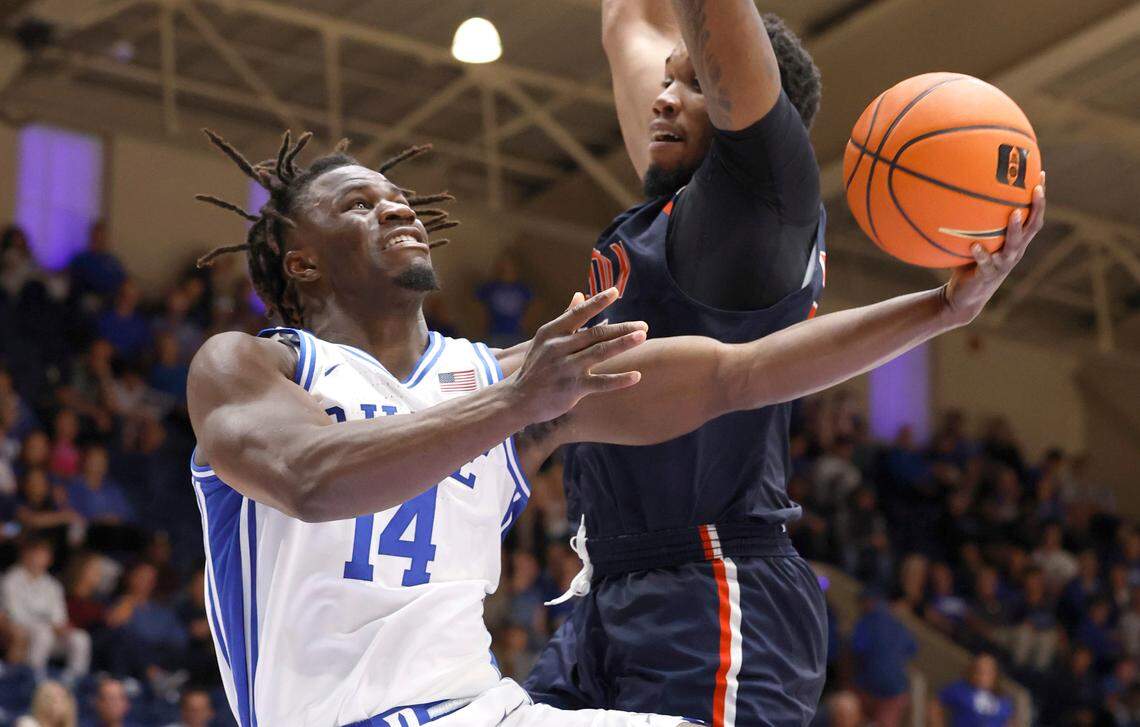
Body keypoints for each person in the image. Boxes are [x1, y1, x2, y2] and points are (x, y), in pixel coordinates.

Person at [185, 127, 1042, 725]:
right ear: (302, 262)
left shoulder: (509, 376)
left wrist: (942, 309)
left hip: (482, 710)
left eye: (398, 196)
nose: (396, 207)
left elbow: (740, 373)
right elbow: (309, 479)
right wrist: (517, 405)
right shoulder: (252, 366)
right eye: (359, 204)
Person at [526, 1, 830, 723]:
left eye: (694, 84)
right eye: (667, 80)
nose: (664, 98)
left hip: (714, 586)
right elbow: (629, 22)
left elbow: (720, 31)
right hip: (610, 588)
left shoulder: (760, 202)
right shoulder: (673, 214)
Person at [0, 538, 91, 685]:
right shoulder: (11, 579)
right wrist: (48, 625)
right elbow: (15, 615)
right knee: (43, 633)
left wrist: (60, 627)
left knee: (81, 638)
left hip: (52, 632)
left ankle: (73, 682)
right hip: (23, 631)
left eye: (43, 555)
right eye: (36, 554)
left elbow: (59, 617)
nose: (39, 559)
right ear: (25, 555)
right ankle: (33, 679)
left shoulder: (53, 585)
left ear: (49, 559)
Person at [849, 589, 917, 727]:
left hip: (874, 689)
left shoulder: (868, 620)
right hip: (894, 691)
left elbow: (855, 650)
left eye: (863, 602)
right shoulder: (899, 624)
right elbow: (911, 649)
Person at [929, 653, 1014, 727]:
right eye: (979, 670)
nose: (983, 676)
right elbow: (935, 705)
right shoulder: (960, 689)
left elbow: (1010, 722)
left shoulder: (1004, 701)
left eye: (988, 672)